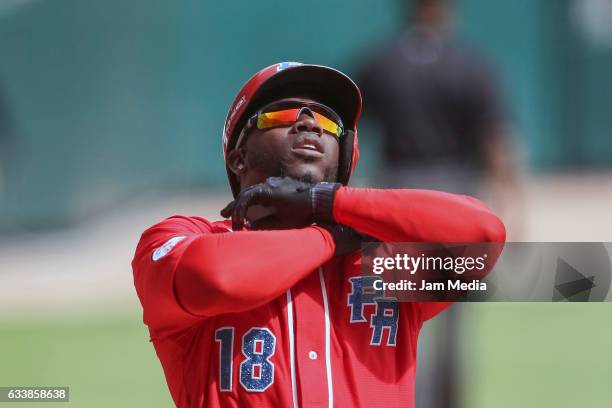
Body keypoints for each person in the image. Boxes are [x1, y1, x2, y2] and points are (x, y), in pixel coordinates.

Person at [132, 62, 505, 408]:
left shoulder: (381, 262)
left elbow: (483, 232)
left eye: (328, 123)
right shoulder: (183, 236)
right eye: (282, 114)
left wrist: (328, 202)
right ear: (238, 158)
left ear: (344, 158)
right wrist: (327, 240)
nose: (309, 124)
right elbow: (217, 278)